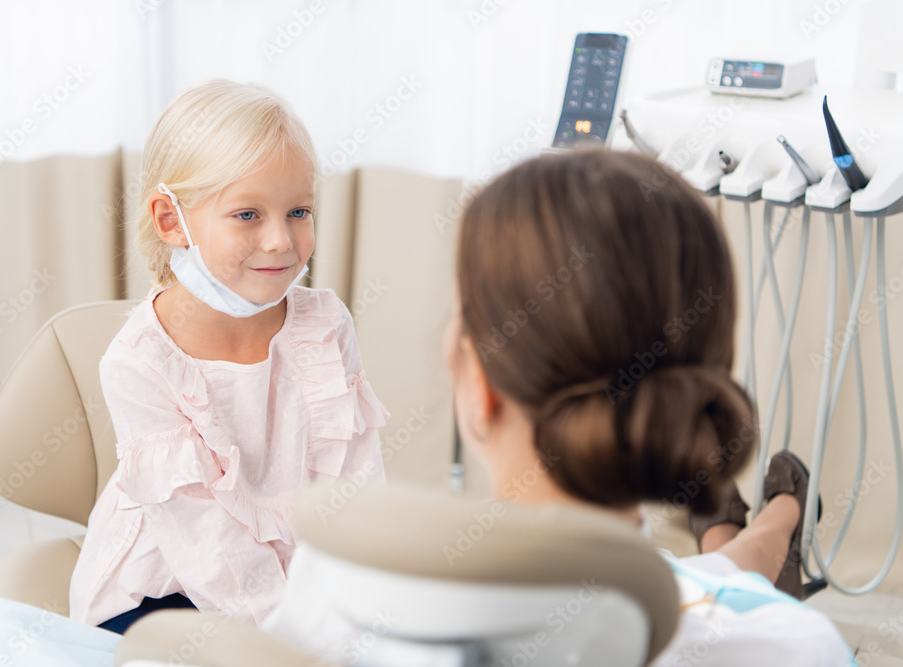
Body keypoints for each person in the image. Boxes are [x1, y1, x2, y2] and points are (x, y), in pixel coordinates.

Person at [438, 148, 852, 665]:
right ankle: (779, 525)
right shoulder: (796, 649)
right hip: (673, 596)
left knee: (698, 573)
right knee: (699, 580)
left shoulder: (376, 618)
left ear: (480, 383)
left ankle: (753, 535)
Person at [68, 80, 388, 634]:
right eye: (247, 215)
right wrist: (291, 640)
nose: (280, 242)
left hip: (295, 576)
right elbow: (207, 546)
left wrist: (365, 594)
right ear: (172, 221)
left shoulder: (327, 324)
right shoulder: (139, 363)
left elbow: (356, 479)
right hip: (165, 588)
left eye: (299, 211)